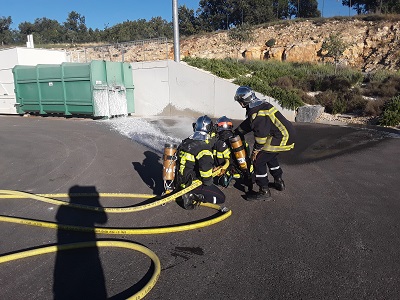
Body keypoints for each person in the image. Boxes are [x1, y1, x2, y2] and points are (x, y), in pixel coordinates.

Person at [233, 86, 295, 201]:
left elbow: (261, 136)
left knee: (259, 160)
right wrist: (237, 131)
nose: (240, 105)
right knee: (269, 156)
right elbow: (249, 123)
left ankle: (264, 191)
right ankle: (279, 181)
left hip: (281, 138)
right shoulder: (259, 106)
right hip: (285, 135)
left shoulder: (257, 111)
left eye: (240, 102)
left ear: (245, 100)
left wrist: (256, 151)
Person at [175, 115, 226, 210]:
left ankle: (182, 192)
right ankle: (192, 195)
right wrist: (211, 179)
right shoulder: (204, 148)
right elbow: (206, 179)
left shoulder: (186, 142)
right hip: (191, 185)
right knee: (220, 198)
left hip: (179, 182)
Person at [212, 116, 253, 190]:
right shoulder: (238, 137)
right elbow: (247, 151)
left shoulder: (219, 143)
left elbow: (218, 161)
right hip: (246, 169)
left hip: (230, 172)